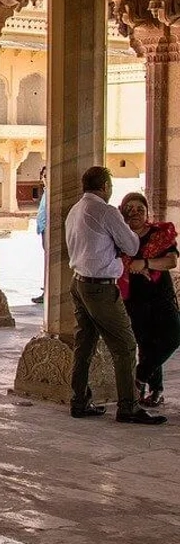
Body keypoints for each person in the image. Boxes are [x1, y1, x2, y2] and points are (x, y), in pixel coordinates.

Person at [65, 166, 163, 424]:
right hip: (100, 287)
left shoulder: (75, 210)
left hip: (79, 283)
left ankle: (79, 401)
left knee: (84, 345)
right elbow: (131, 245)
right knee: (125, 345)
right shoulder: (106, 211)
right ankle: (128, 406)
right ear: (106, 186)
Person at [118, 193, 178, 408]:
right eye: (129, 209)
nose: (135, 213)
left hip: (161, 296)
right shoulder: (120, 237)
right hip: (134, 298)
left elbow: (170, 261)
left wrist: (145, 263)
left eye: (139, 209)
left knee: (173, 335)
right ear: (122, 212)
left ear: (146, 212)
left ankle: (140, 375)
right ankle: (154, 390)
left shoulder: (159, 234)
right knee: (146, 343)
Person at [33, 166, 48, 304]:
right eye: (44, 176)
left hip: (50, 231)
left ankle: (48, 292)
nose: (46, 178)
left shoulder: (52, 194)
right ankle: (47, 291)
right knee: (47, 262)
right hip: (44, 231)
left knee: (50, 262)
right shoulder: (46, 192)